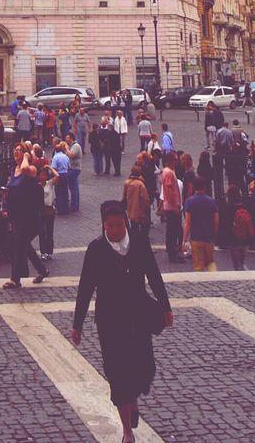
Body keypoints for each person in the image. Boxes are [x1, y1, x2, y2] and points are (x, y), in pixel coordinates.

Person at [71, 200, 173, 443]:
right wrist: (77, 324)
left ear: (125, 223)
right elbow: (85, 288)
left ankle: (133, 399)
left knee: (143, 368)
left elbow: (153, 275)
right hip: (110, 321)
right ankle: (127, 431)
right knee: (118, 375)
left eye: (118, 225)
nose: (115, 231)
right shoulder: (95, 249)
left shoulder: (139, 241)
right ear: (104, 226)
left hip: (138, 317)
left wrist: (166, 306)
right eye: (110, 227)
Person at [3, 144, 48, 287]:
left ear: (26, 154)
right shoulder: (13, 170)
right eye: (14, 150)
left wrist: (28, 157)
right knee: (23, 244)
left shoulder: (31, 169)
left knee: (19, 244)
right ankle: (42, 269)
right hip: (16, 214)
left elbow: (24, 168)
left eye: (19, 150)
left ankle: (15, 279)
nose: (15, 152)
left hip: (29, 216)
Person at [182, 176, 218, 271]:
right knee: (210, 262)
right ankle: (214, 279)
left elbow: (187, 223)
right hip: (209, 237)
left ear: (194, 186)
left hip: (196, 238)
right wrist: (214, 234)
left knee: (198, 266)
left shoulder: (190, 201)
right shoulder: (211, 201)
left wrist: (184, 239)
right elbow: (216, 220)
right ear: (204, 187)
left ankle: (201, 282)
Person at [160, 153, 182, 263]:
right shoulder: (169, 172)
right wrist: (175, 206)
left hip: (170, 205)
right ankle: (172, 255)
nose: (177, 162)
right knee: (172, 231)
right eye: (175, 159)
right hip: (172, 206)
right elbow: (169, 191)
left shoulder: (167, 171)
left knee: (171, 230)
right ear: (169, 160)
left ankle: (172, 252)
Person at [38, 161, 58, 261]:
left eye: (45, 175)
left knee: (49, 232)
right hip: (40, 211)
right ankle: (43, 252)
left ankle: (49, 252)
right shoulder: (37, 186)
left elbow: (57, 176)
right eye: (42, 175)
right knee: (42, 232)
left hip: (49, 210)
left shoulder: (50, 184)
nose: (44, 177)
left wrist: (50, 167)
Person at [123, 167, 151, 234]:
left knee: (134, 227)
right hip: (140, 209)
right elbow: (145, 198)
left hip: (131, 208)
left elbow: (124, 195)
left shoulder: (127, 183)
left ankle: (134, 239)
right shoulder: (140, 184)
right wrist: (147, 208)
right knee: (144, 228)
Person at [52, 141, 71, 215]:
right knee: (65, 192)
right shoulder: (66, 156)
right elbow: (69, 166)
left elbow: (54, 168)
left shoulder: (55, 157)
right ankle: (66, 209)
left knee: (58, 192)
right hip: (65, 174)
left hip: (59, 175)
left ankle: (60, 210)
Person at [67, 134, 83, 213]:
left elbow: (71, 155)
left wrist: (66, 148)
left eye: (67, 138)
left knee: (73, 188)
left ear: (71, 138)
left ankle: (74, 206)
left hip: (74, 169)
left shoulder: (75, 146)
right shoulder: (72, 146)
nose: (66, 140)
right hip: (73, 168)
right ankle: (75, 205)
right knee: (75, 187)